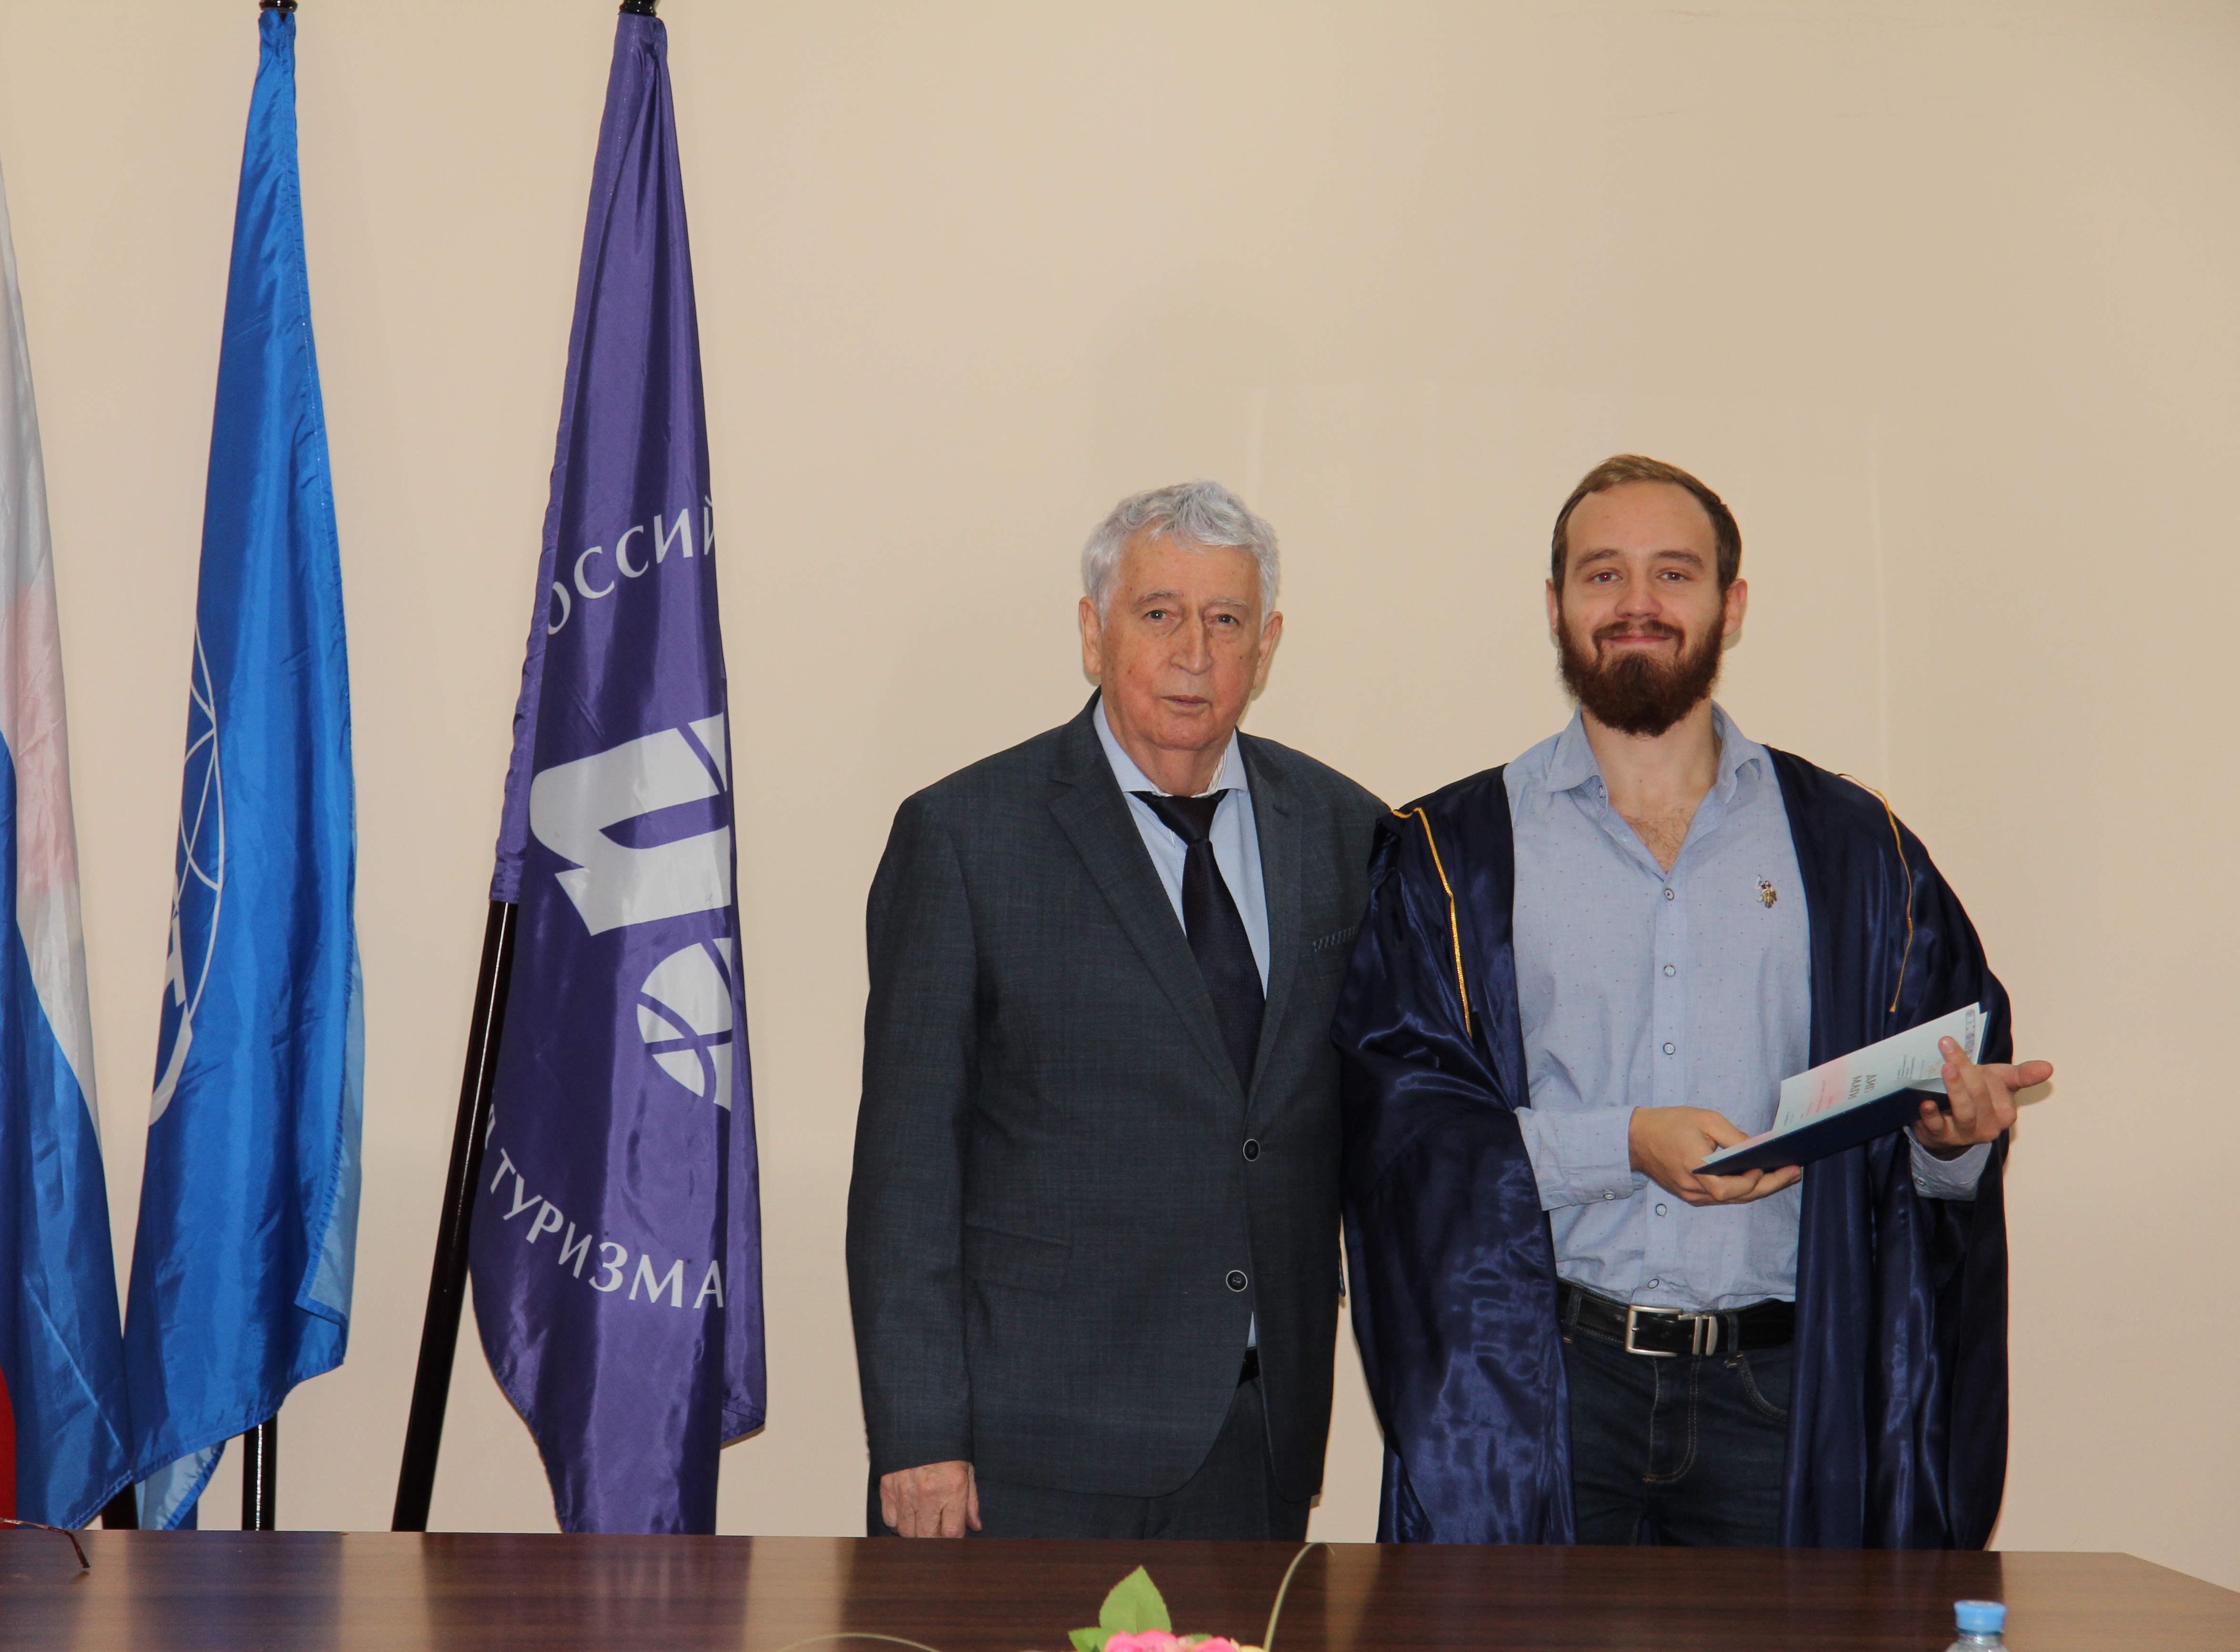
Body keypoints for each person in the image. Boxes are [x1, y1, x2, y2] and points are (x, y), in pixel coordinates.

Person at [1337, 455, 2049, 1549]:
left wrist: (1954, 1142)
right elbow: (1404, 1136)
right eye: (1603, 574)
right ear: (1555, 606)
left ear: (1733, 605)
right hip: (1548, 1392)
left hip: (1785, 1401)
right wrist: (1624, 1142)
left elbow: (1926, 1127)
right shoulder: (1453, 856)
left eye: (1674, 573)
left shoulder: (1858, 854)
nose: (1638, 603)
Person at [847, 480, 1385, 1540]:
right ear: (1094, 634)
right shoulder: (965, 838)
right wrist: (917, 1435)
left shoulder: (1346, 832)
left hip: (1254, 1443)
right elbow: (907, 1169)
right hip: (1026, 1450)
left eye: (1226, 620)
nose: (1195, 653)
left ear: (1267, 647)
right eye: (1160, 613)